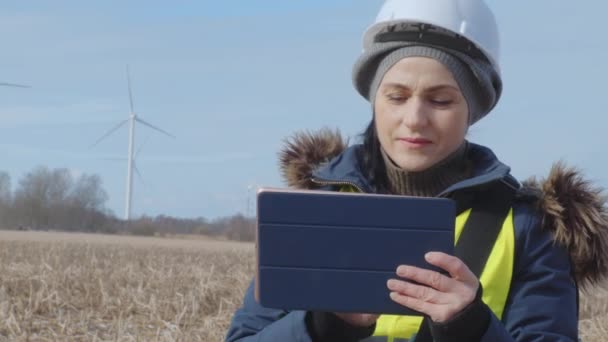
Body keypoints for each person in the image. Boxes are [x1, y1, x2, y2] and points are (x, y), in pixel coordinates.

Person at [225, 0, 608, 341]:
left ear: (472, 109)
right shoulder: (313, 212)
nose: (414, 119)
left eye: (440, 101)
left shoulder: (528, 228)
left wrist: (471, 327)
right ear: (374, 100)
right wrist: (322, 327)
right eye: (397, 97)